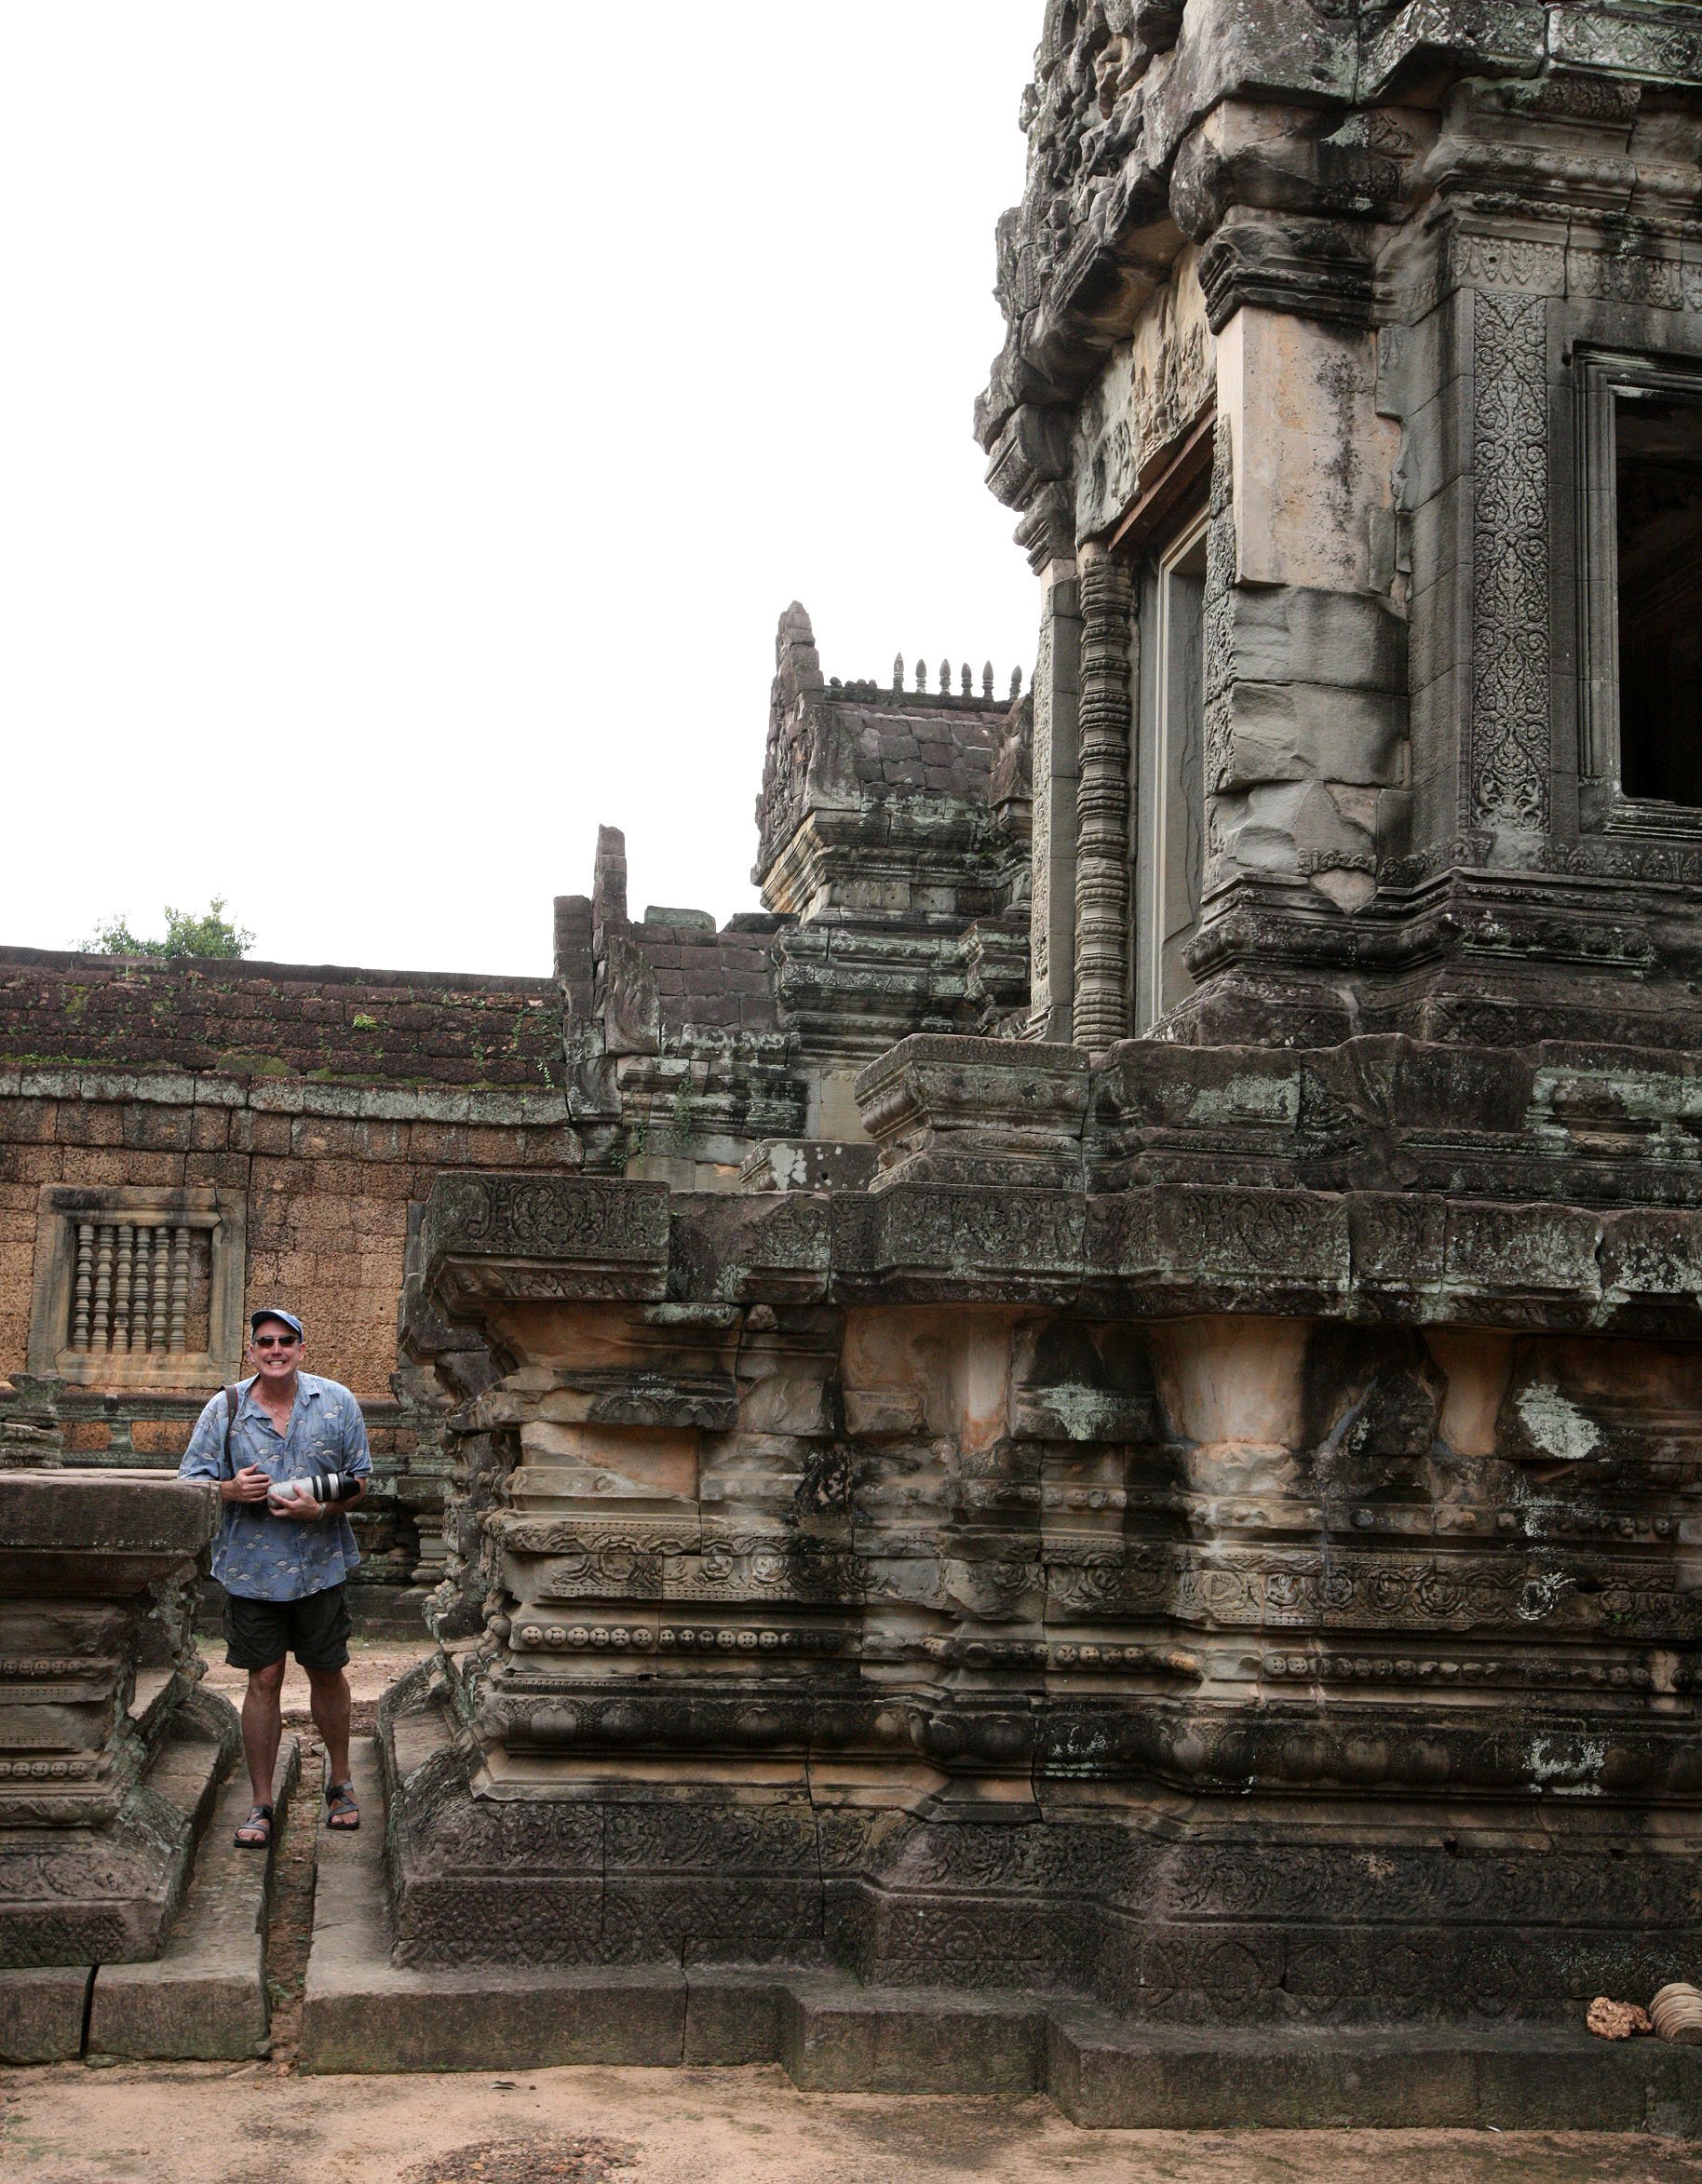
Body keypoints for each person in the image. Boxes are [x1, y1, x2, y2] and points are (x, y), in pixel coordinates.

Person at [178, 1308, 371, 1847]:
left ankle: (341, 1781)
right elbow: (189, 1481)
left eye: (287, 1341)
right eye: (266, 1342)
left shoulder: (337, 1402)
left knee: (327, 1673)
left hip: (320, 1566)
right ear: (253, 1350)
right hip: (250, 1569)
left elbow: (359, 1482)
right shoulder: (227, 1408)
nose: (276, 1350)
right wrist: (230, 1490)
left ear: (301, 1348)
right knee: (262, 1680)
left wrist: (322, 1510)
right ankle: (261, 1802)